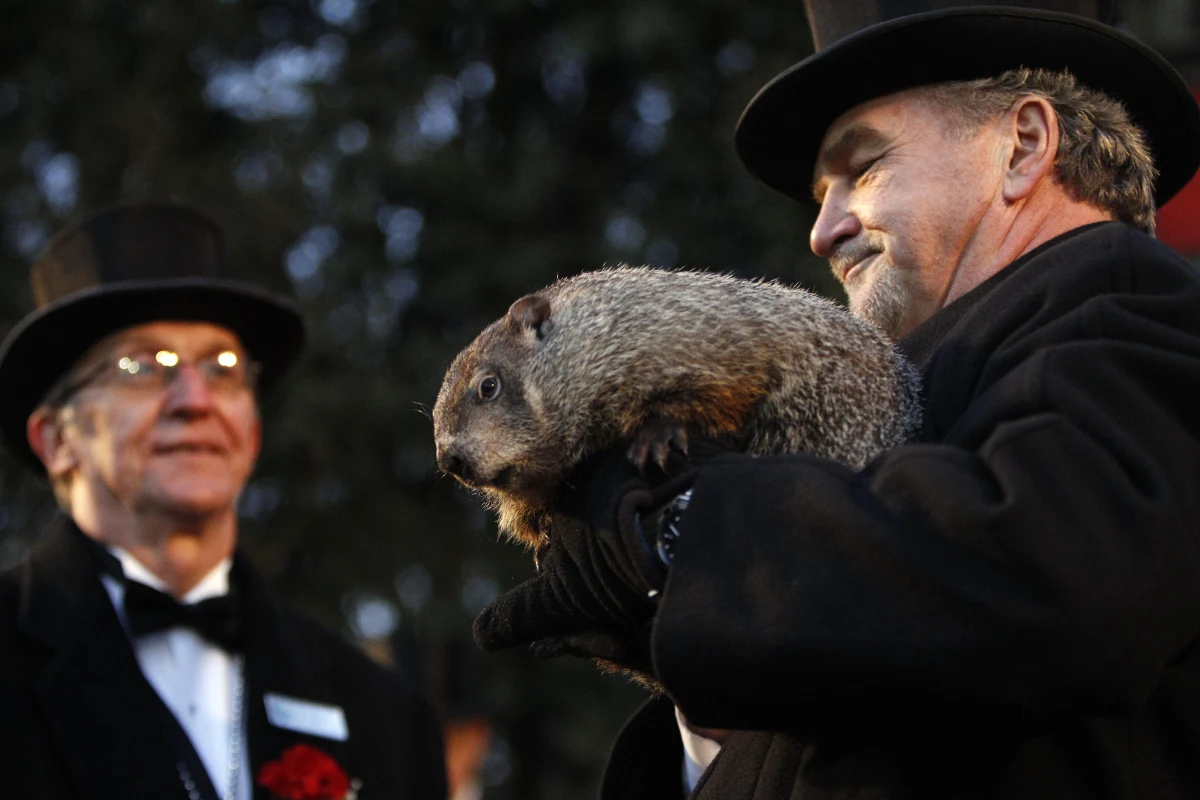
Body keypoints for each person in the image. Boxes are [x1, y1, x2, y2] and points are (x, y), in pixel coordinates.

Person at [471, 1, 1200, 798]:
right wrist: (683, 637)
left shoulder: (1134, 306)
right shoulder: (892, 383)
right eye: (820, 195)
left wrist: (681, 530)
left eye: (865, 168)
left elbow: (1055, 583)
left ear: (1023, 145)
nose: (821, 232)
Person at [0, 204, 447, 800]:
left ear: (251, 432)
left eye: (223, 367)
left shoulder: (384, 716)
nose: (194, 399)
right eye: (141, 364)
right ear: (57, 440)